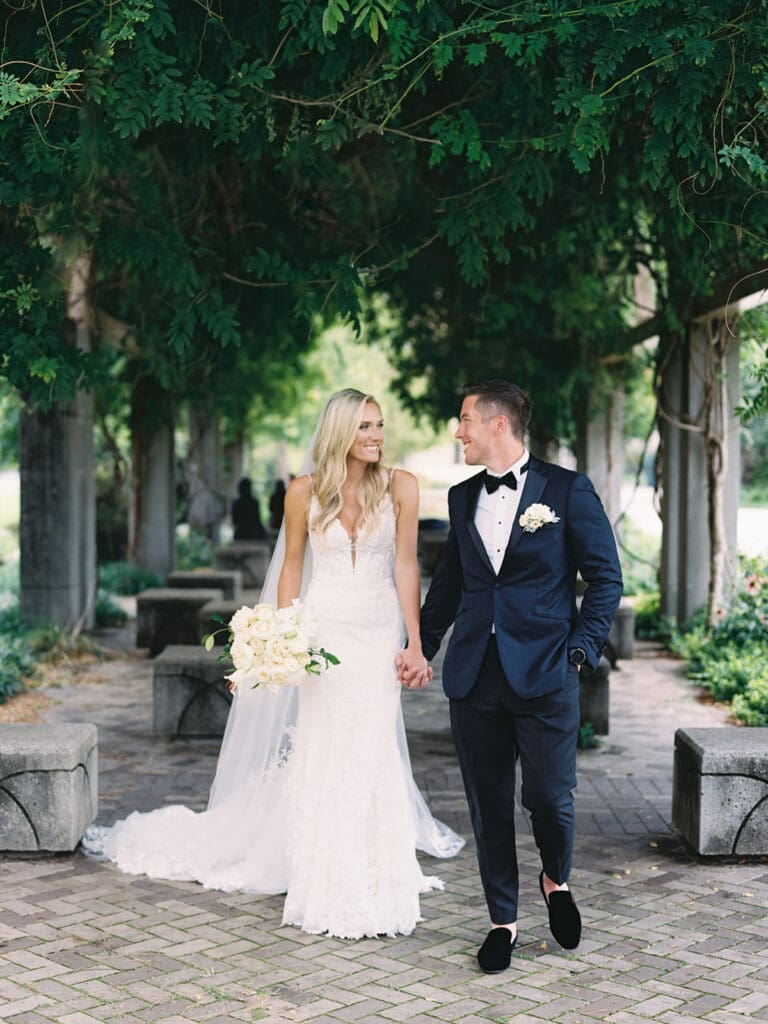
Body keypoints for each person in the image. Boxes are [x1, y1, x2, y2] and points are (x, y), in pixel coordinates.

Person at [84, 388, 463, 940]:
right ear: (339, 433)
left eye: (379, 425)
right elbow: (290, 570)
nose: (377, 436)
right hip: (325, 632)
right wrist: (283, 639)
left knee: (374, 742)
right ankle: (322, 869)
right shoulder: (303, 492)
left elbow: (407, 567)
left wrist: (415, 643)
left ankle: (377, 867)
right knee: (325, 742)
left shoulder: (402, 485)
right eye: (364, 427)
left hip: (378, 630)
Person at [400, 380, 622, 973]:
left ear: (498, 425)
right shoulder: (460, 495)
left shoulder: (568, 491)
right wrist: (418, 644)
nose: (458, 430)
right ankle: (503, 921)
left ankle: (556, 878)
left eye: (465, 419)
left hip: (548, 671)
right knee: (488, 805)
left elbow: (606, 579)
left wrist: (578, 652)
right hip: (474, 676)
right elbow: (451, 582)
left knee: (550, 798)